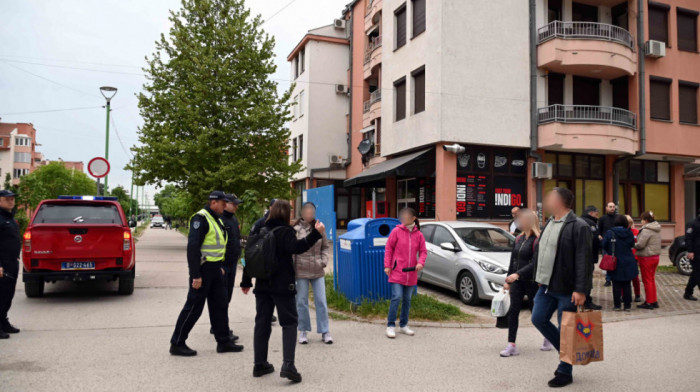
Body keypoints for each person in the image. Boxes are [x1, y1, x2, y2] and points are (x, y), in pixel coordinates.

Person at [241, 200, 325, 383]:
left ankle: (259, 363)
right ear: (285, 213)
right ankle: (288, 365)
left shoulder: (260, 230)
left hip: (262, 286)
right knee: (289, 323)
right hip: (282, 286)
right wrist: (317, 234)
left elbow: (250, 255)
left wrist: (246, 280)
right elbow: (298, 248)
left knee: (262, 323)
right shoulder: (285, 232)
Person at [531, 187, 592, 388]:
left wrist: (581, 289)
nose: (547, 200)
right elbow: (544, 250)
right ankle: (570, 352)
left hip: (567, 288)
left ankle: (565, 371)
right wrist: (538, 275)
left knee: (566, 330)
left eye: (550, 197)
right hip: (546, 285)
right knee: (538, 318)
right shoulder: (549, 222)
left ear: (560, 201)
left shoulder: (579, 226)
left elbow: (584, 259)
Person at [169, 191, 243, 356]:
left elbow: (218, 245)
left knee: (220, 305)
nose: (225, 206)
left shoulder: (216, 219)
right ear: (213, 202)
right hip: (202, 271)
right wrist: (196, 275)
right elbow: (193, 248)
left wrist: (220, 265)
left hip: (215, 269)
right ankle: (177, 343)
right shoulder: (200, 219)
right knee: (194, 307)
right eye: (223, 203)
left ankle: (224, 342)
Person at [500, 209, 551, 357]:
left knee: (536, 313)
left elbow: (535, 263)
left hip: (532, 282)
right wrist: (508, 279)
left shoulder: (537, 240)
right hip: (517, 282)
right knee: (513, 312)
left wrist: (518, 274)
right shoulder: (518, 239)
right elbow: (513, 260)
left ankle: (548, 337)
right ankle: (511, 345)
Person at [383, 207, 427, 339]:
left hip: (411, 273)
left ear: (413, 218)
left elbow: (423, 251)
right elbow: (389, 248)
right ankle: (390, 325)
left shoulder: (418, 234)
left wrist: (420, 262)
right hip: (397, 271)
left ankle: (403, 325)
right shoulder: (396, 231)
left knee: (407, 299)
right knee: (396, 297)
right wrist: (387, 265)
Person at [293, 202, 333, 345]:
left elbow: (325, 247)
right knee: (302, 302)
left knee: (321, 301)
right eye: (307, 211)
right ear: (302, 213)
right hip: (301, 270)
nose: (310, 214)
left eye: (312, 211)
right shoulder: (296, 229)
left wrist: (323, 261)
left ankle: (325, 330)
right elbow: (293, 249)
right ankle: (303, 330)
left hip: (317, 270)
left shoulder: (320, 227)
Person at [210, 193, 243, 339]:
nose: (236, 206)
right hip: (223, 265)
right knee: (221, 298)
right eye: (233, 204)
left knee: (227, 297)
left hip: (232, 263)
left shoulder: (233, 219)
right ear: (225, 204)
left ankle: (218, 325)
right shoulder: (219, 220)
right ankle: (221, 328)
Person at [250, 198, 278, 323]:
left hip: (276, 262)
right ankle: (262, 314)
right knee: (262, 289)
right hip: (262, 261)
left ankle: (270, 313)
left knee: (274, 288)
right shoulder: (261, 222)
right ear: (271, 207)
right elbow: (252, 239)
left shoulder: (280, 222)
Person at [601, 215, 638, 311]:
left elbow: (604, 245)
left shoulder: (610, 233)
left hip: (615, 261)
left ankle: (617, 305)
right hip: (628, 260)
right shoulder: (629, 232)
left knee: (616, 284)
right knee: (627, 284)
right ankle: (627, 305)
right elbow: (632, 244)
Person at [0, 189, 21, 339]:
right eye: (7, 199)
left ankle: (4, 322)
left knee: (8, 295)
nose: (11, 201)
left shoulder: (10, 218)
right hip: (3, 264)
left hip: (12, 261)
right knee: (1, 296)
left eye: (12, 199)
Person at [635, 211, 662, 309]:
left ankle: (649, 302)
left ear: (645, 220)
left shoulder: (646, 230)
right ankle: (654, 300)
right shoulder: (656, 228)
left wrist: (632, 245)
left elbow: (641, 244)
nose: (641, 221)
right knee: (651, 280)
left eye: (641, 219)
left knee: (647, 281)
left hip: (646, 257)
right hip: (655, 257)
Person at [598, 202, 618, 287]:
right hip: (606, 244)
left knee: (617, 261)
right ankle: (608, 279)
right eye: (610, 207)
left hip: (617, 243)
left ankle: (616, 278)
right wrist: (601, 238)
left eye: (613, 207)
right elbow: (599, 231)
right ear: (606, 208)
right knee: (607, 262)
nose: (612, 208)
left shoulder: (618, 218)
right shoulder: (602, 219)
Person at [683, 209, 700, 301]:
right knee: (698, 273)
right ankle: (688, 292)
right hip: (696, 253)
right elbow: (688, 238)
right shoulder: (692, 224)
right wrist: (690, 251)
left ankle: (688, 292)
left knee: (695, 274)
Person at [625, 215, 642, 302]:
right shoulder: (622, 232)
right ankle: (623, 295)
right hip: (625, 257)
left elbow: (639, 244)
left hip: (634, 258)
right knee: (623, 277)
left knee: (635, 277)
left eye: (629, 223)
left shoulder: (636, 232)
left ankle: (637, 294)